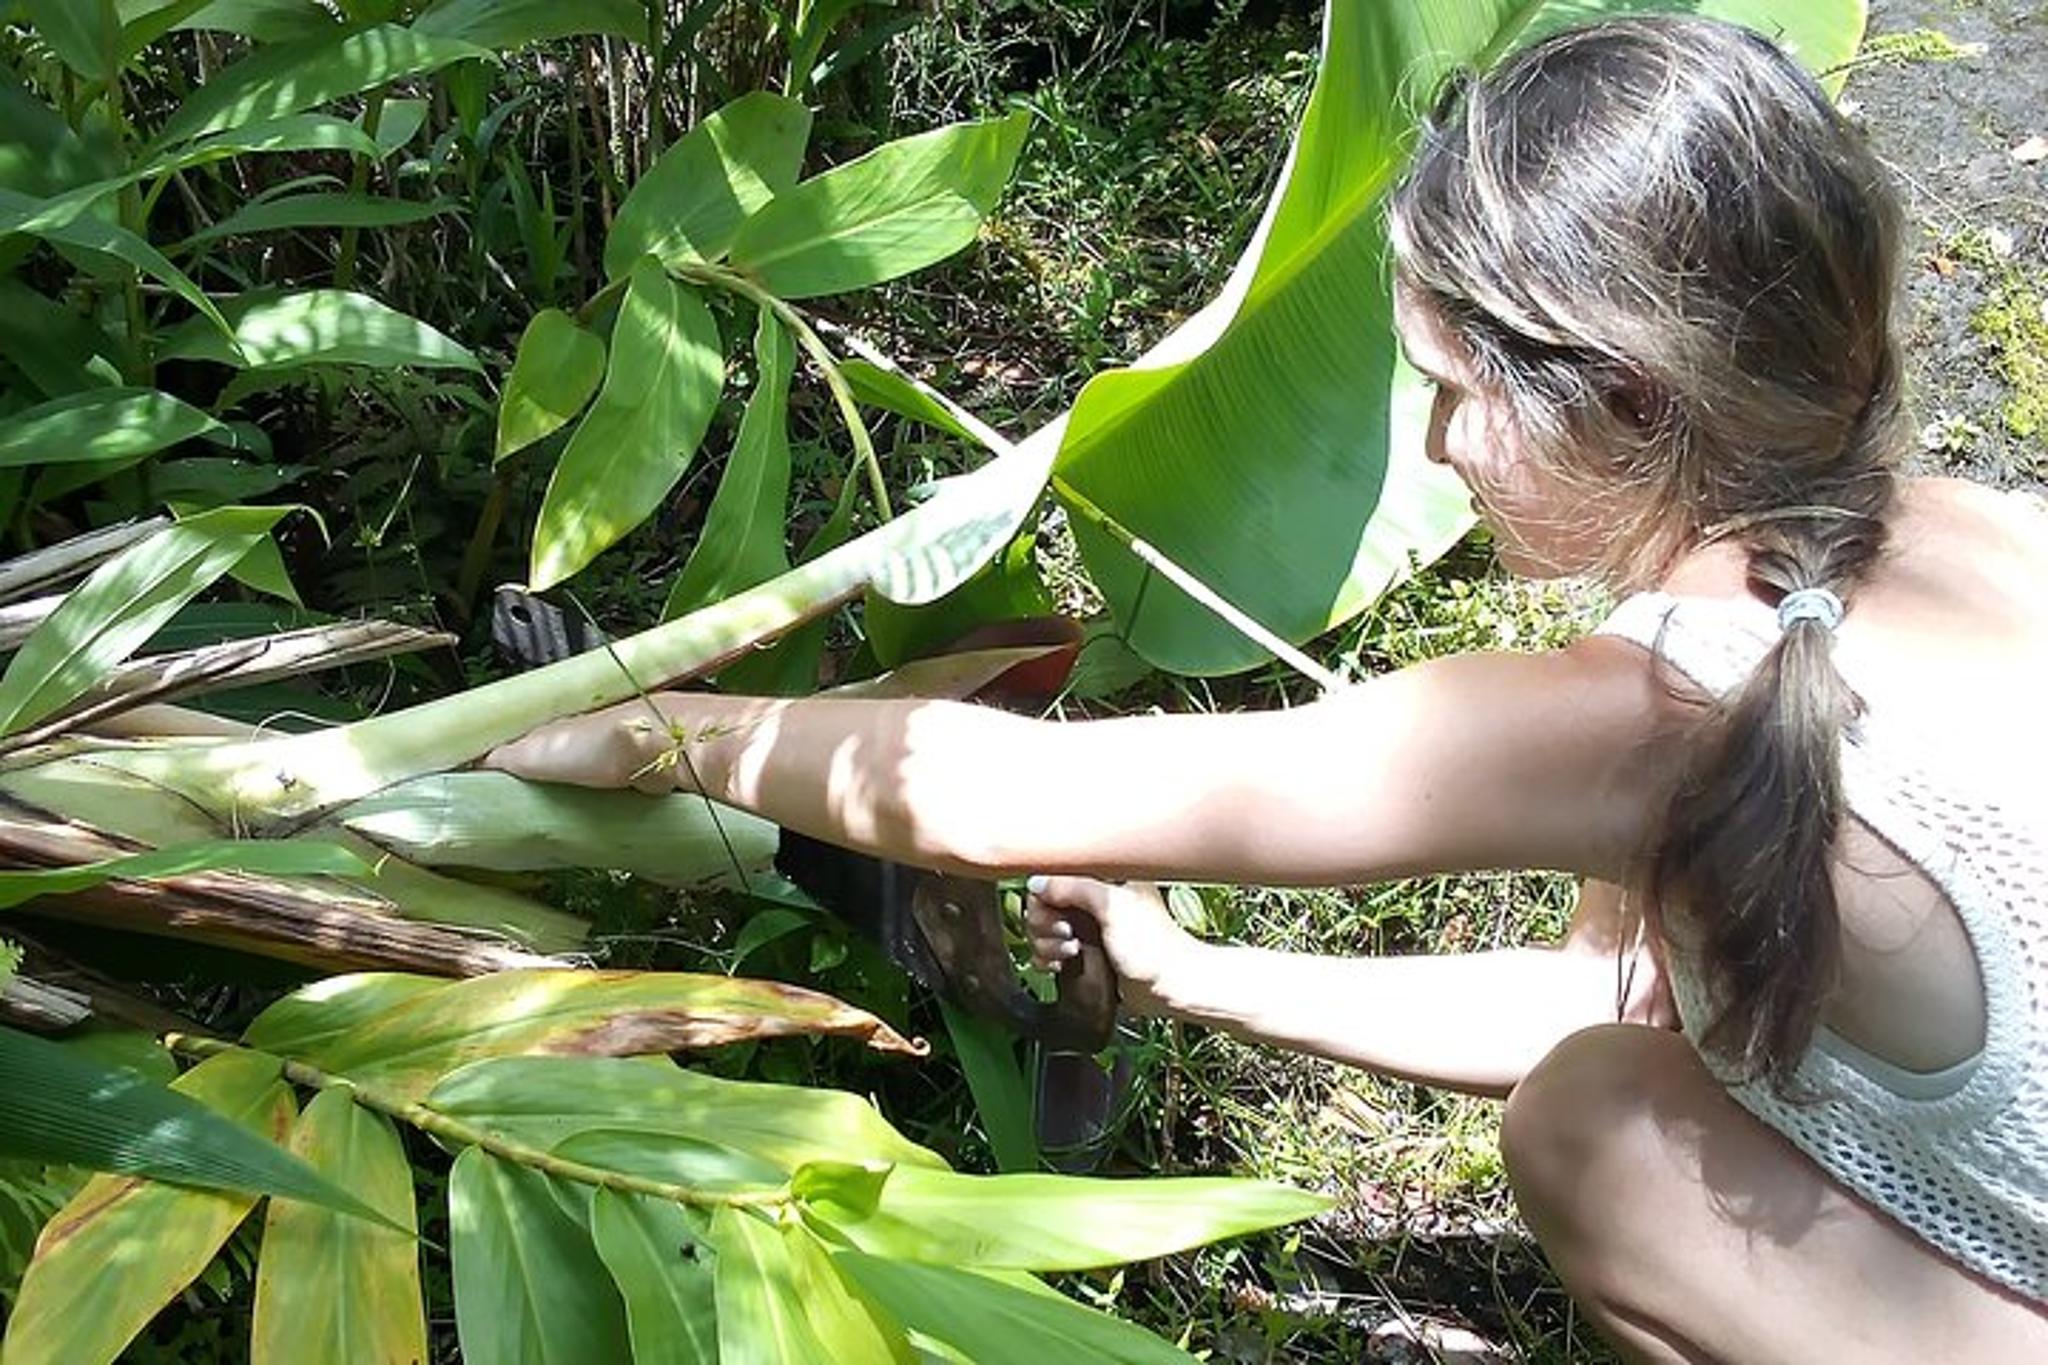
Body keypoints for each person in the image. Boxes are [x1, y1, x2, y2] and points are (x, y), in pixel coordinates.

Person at [486, 16, 2048, 1362]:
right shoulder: (1976, 539)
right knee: (1606, 1081)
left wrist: (652, 724)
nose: (1434, 448)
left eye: (1455, 393)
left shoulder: (1661, 716)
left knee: (1593, 1141)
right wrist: (1201, 977)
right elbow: (1620, 996)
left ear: (1627, 397)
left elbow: (998, 789)